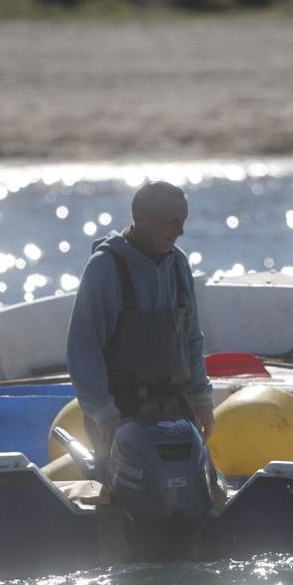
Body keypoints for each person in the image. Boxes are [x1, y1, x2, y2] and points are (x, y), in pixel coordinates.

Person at [66, 180, 215, 461]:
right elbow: (82, 349)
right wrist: (104, 415)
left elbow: (192, 339)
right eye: (172, 222)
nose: (181, 231)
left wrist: (201, 400)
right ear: (141, 219)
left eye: (183, 221)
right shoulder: (104, 268)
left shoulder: (179, 264)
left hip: (174, 408)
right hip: (120, 413)